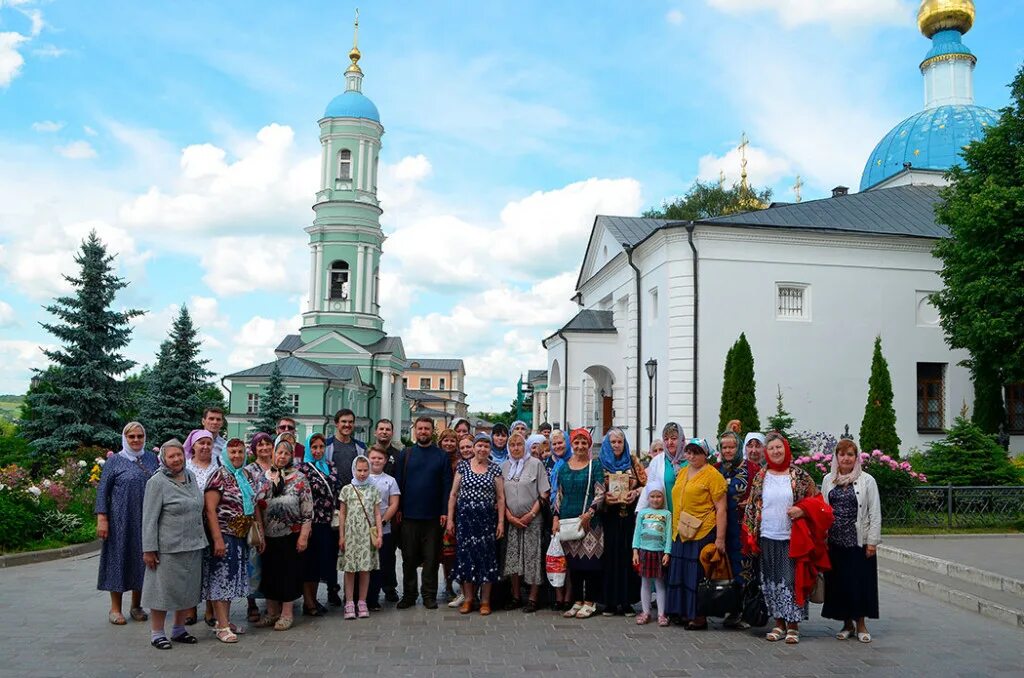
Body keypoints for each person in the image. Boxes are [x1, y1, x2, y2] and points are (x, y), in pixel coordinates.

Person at [743, 432, 818, 644]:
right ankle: (778, 623)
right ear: (766, 452)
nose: (776, 451)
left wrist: (802, 510)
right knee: (771, 581)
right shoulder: (761, 476)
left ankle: (793, 625)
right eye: (771, 448)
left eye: (779, 447)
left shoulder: (799, 475)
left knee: (791, 581)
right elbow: (752, 505)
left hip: (791, 538)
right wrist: (750, 535)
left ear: (785, 448)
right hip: (766, 536)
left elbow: (815, 500)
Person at [141, 439, 208, 650]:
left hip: (193, 544)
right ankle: (157, 633)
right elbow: (149, 518)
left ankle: (179, 630)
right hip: (167, 547)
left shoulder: (190, 476)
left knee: (187, 590)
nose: (176, 459)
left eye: (179, 455)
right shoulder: (156, 482)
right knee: (162, 591)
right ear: (163, 459)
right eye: (171, 456)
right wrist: (149, 549)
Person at [202, 438, 266, 643]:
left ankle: (226, 621)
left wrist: (260, 532)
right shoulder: (219, 475)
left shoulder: (246, 475)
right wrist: (217, 539)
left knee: (231, 580)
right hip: (224, 535)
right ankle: (221, 626)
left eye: (240, 452)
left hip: (241, 536)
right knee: (221, 580)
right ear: (225, 455)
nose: (237, 456)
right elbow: (210, 509)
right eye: (232, 452)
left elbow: (254, 504)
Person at [96, 422, 160, 626]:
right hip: (120, 520)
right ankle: (115, 609)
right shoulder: (114, 461)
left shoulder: (151, 459)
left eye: (139, 436)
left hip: (146, 519)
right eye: (131, 436)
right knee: (118, 560)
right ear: (125, 438)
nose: (136, 440)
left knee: (142, 561)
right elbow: (103, 491)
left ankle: (136, 606)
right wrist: (102, 518)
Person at [821, 438, 881, 643]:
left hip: (858, 541)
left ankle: (861, 624)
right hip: (835, 542)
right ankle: (847, 624)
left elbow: (874, 513)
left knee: (860, 583)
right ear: (836, 457)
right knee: (840, 584)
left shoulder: (867, 480)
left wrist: (872, 541)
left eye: (850, 454)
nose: (846, 458)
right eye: (842, 454)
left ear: (856, 457)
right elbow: (823, 509)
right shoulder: (828, 479)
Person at [665, 438, 727, 629]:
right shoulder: (683, 472)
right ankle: (683, 612)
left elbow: (721, 508)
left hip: (702, 530)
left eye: (696, 453)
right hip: (680, 530)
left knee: (697, 575)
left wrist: (720, 538)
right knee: (681, 573)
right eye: (688, 452)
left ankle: (699, 615)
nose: (691, 456)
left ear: (705, 454)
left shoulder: (713, 475)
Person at [394, 416, 454, 609]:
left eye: (427, 429)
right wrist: (399, 509)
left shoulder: (441, 456)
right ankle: (409, 595)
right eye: (420, 428)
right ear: (415, 430)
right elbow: (397, 484)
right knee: (408, 558)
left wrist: (444, 511)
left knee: (431, 559)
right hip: (409, 516)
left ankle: (429, 595)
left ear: (432, 431)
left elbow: (447, 486)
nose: (423, 432)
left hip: (433, 517)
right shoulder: (406, 454)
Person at [447, 432, 506, 615]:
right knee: (466, 558)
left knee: (486, 559)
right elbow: (453, 494)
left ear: (490, 449)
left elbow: (500, 497)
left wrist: (501, 522)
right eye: (479, 445)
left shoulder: (495, 469)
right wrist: (450, 519)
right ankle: (468, 599)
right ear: (473, 448)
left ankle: (485, 601)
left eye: (486, 446)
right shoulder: (463, 466)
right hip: (465, 521)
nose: (482, 449)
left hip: (486, 521)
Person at [258, 439, 312, 631]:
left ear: (291, 456)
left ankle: (287, 614)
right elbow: (257, 505)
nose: (282, 456)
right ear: (273, 454)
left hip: (291, 535)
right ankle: (272, 612)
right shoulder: (264, 477)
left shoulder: (299, 478)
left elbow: (307, 510)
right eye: (279, 452)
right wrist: (260, 533)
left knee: (288, 574)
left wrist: (304, 536)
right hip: (268, 536)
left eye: (286, 453)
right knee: (269, 574)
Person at [552, 428, 605, 619]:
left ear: (589, 445)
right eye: (576, 442)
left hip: (590, 523)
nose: (580, 446)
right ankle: (576, 601)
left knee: (590, 564)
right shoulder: (564, 468)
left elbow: (600, 492)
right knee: (573, 565)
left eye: (584, 443)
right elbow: (559, 495)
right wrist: (555, 518)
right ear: (571, 444)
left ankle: (590, 602)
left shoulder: (594, 465)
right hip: (569, 522)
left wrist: (589, 513)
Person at [714, 428, 761, 629]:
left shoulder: (752, 469)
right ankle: (731, 610)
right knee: (727, 569)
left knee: (745, 570)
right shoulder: (716, 469)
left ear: (738, 448)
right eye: (724, 447)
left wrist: (751, 503)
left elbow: (762, 494)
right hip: (723, 529)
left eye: (732, 447)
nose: (728, 451)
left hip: (744, 529)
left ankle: (747, 612)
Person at [501, 433, 550, 613]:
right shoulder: (504, 466)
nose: (515, 448)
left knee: (532, 557)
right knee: (513, 558)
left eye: (519, 444)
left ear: (525, 446)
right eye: (512, 445)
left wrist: (531, 514)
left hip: (532, 520)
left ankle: (533, 598)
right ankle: (515, 596)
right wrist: (509, 516)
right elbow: (500, 496)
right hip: (512, 520)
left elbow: (544, 493)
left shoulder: (536, 464)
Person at [600, 427, 647, 616]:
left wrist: (635, 492)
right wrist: (604, 497)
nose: (616, 445)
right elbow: (594, 487)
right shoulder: (600, 463)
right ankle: (610, 602)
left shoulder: (633, 461)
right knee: (610, 557)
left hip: (629, 517)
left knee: (628, 556)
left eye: (620, 442)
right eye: (613, 442)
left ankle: (627, 601)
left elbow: (647, 485)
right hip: (608, 517)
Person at [296, 433, 339, 617]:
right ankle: (308, 602)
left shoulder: (330, 466)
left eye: (321, 447)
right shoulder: (302, 469)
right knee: (309, 563)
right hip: (311, 523)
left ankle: (313, 599)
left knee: (319, 563)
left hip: (328, 523)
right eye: (314, 447)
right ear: (308, 449)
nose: (318, 451)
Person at [338, 456, 384, 619]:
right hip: (351, 534)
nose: (362, 474)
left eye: (365, 470)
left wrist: (379, 534)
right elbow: (342, 514)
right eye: (359, 470)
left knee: (365, 569)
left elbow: (377, 514)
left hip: (366, 535)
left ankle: (362, 601)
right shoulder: (347, 490)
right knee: (350, 569)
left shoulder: (373, 490)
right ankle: (349, 602)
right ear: (353, 470)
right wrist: (341, 536)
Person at [184, 428, 221, 626]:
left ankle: (210, 609)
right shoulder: (185, 467)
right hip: (190, 524)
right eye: (201, 443)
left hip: (212, 523)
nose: (205, 447)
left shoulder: (218, 467)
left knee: (211, 565)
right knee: (192, 566)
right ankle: (190, 608)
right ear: (193, 446)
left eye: (209, 443)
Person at [632, 481, 672, 626]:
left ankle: (661, 614)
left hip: (659, 553)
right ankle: (645, 612)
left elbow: (669, 534)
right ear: (647, 498)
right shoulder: (642, 513)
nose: (655, 499)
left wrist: (667, 552)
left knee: (660, 583)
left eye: (658, 496)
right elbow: (637, 533)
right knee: (645, 582)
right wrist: (635, 551)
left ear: (663, 497)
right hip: (644, 552)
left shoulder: (667, 514)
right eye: (652, 496)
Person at [244, 433, 274, 622]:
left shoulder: (277, 467)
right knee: (254, 563)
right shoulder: (248, 470)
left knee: (272, 564)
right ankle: (252, 603)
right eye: (260, 445)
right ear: (254, 449)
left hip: (275, 523)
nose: (264, 448)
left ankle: (273, 602)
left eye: (267, 444)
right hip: (255, 522)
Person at [366, 446, 400, 610]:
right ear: (368, 458)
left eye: (380, 458)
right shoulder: (361, 477)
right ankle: (360, 597)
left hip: (383, 530)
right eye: (373, 457)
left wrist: (383, 521)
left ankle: (375, 597)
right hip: (363, 530)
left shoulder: (390, 480)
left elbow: (394, 504)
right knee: (365, 564)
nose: (376, 461)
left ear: (385, 461)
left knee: (381, 563)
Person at [372, 418, 402, 601]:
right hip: (368, 514)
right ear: (375, 432)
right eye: (381, 429)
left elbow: (402, 481)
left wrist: (398, 510)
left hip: (391, 511)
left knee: (388, 553)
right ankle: (369, 590)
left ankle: (390, 587)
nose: (384, 432)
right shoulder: (368, 453)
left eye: (388, 429)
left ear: (392, 432)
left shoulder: (399, 455)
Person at [545, 428, 571, 611]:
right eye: (554, 444)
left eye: (560, 442)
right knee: (556, 556)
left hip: (568, 512)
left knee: (569, 557)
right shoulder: (552, 463)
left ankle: (569, 596)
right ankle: (558, 596)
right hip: (553, 511)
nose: (557, 446)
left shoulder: (572, 461)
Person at [637, 422, 687, 514]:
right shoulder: (657, 461)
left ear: (681, 439)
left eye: (674, 438)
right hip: (665, 514)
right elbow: (650, 486)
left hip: (687, 515)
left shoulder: (690, 459)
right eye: (666, 439)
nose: (669, 442)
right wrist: (640, 511)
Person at [437, 428, 460, 600]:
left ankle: (454, 582)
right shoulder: (436, 458)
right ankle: (447, 582)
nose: (449, 444)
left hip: (458, 510)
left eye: (452, 441)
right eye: (446, 440)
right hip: (439, 509)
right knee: (443, 552)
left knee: (453, 551)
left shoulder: (460, 462)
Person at [328, 408, 367, 487]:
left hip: (354, 491)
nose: (347, 425)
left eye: (350, 422)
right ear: (336, 423)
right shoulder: (326, 445)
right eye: (344, 421)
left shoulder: (361, 447)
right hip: (332, 490)